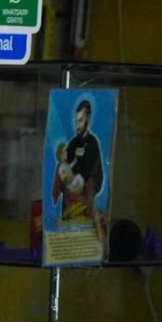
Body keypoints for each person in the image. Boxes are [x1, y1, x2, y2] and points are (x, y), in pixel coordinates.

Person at [51, 97, 106, 244]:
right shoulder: (73, 143)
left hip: (83, 201)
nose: (78, 125)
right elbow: (65, 167)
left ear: (88, 118)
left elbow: (96, 174)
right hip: (69, 203)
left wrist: (85, 182)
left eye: (81, 121)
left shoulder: (93, 144)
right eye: (76, 121)